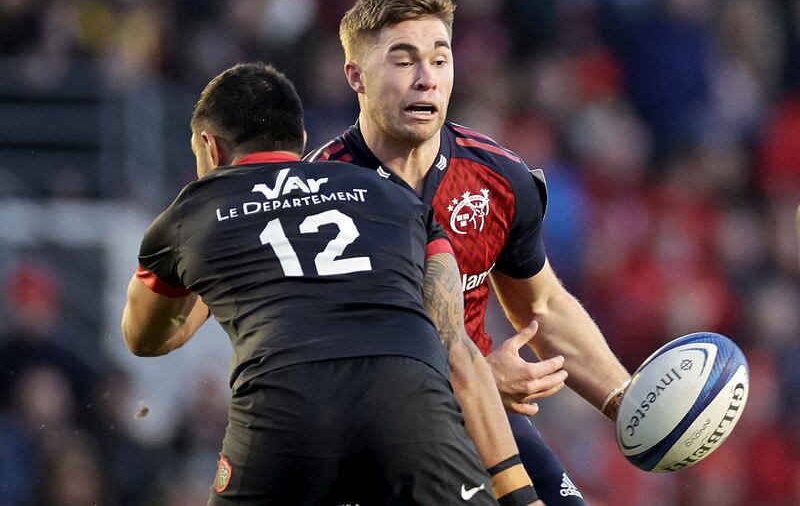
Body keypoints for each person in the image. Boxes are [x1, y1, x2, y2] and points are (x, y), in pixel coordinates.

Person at [120, 62, 541, 505]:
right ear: (301, 142)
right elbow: (455, 346)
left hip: (284, 402)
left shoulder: (190, 213)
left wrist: (214, 280)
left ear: (209, 148)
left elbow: (144, 337)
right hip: (408, 395)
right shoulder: (393, 196)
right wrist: (521, 495)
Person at [305, 0, 632, 504]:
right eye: (404, 60)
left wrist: (629, 403)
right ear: (356, 76)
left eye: (440, 58)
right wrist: (470, 379)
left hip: (481, 413)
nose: (426, 78)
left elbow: (541, 304)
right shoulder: (310, 198)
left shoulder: (499, 177)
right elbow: (327, 364)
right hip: (357, 441)